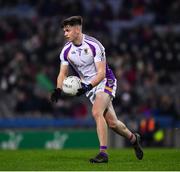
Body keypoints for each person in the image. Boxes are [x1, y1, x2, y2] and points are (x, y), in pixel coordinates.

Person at [51, 16, 143, 163]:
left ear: (77, 29)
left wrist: (88, 86)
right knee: (112, 123)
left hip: (105, 81)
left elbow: (101, 73)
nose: (65, 34)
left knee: (96, 112)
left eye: (67, 30)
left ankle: (103, 153)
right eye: (64, 31)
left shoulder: (95, 45)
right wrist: (58, 89)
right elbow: (63, 73)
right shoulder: (66, 51)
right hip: (90, 87)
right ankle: (133, 138)